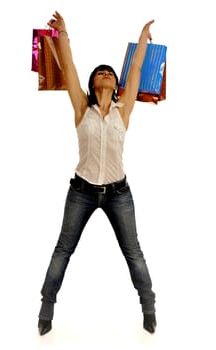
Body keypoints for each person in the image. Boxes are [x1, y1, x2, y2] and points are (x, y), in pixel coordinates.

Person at [38, 10, 156, 336]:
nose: (105, 74)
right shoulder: (81, 109)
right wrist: (63, 34)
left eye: (109, 72)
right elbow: (71, 70)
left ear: (116, 85)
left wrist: (143, 38)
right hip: (82, 191)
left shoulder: (125, 110)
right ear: (93, 83)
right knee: (64, 248)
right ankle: (46, 308)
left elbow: (134, 70)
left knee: (134, 252)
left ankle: (149, 306)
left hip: (119, 193)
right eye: (99, 73)